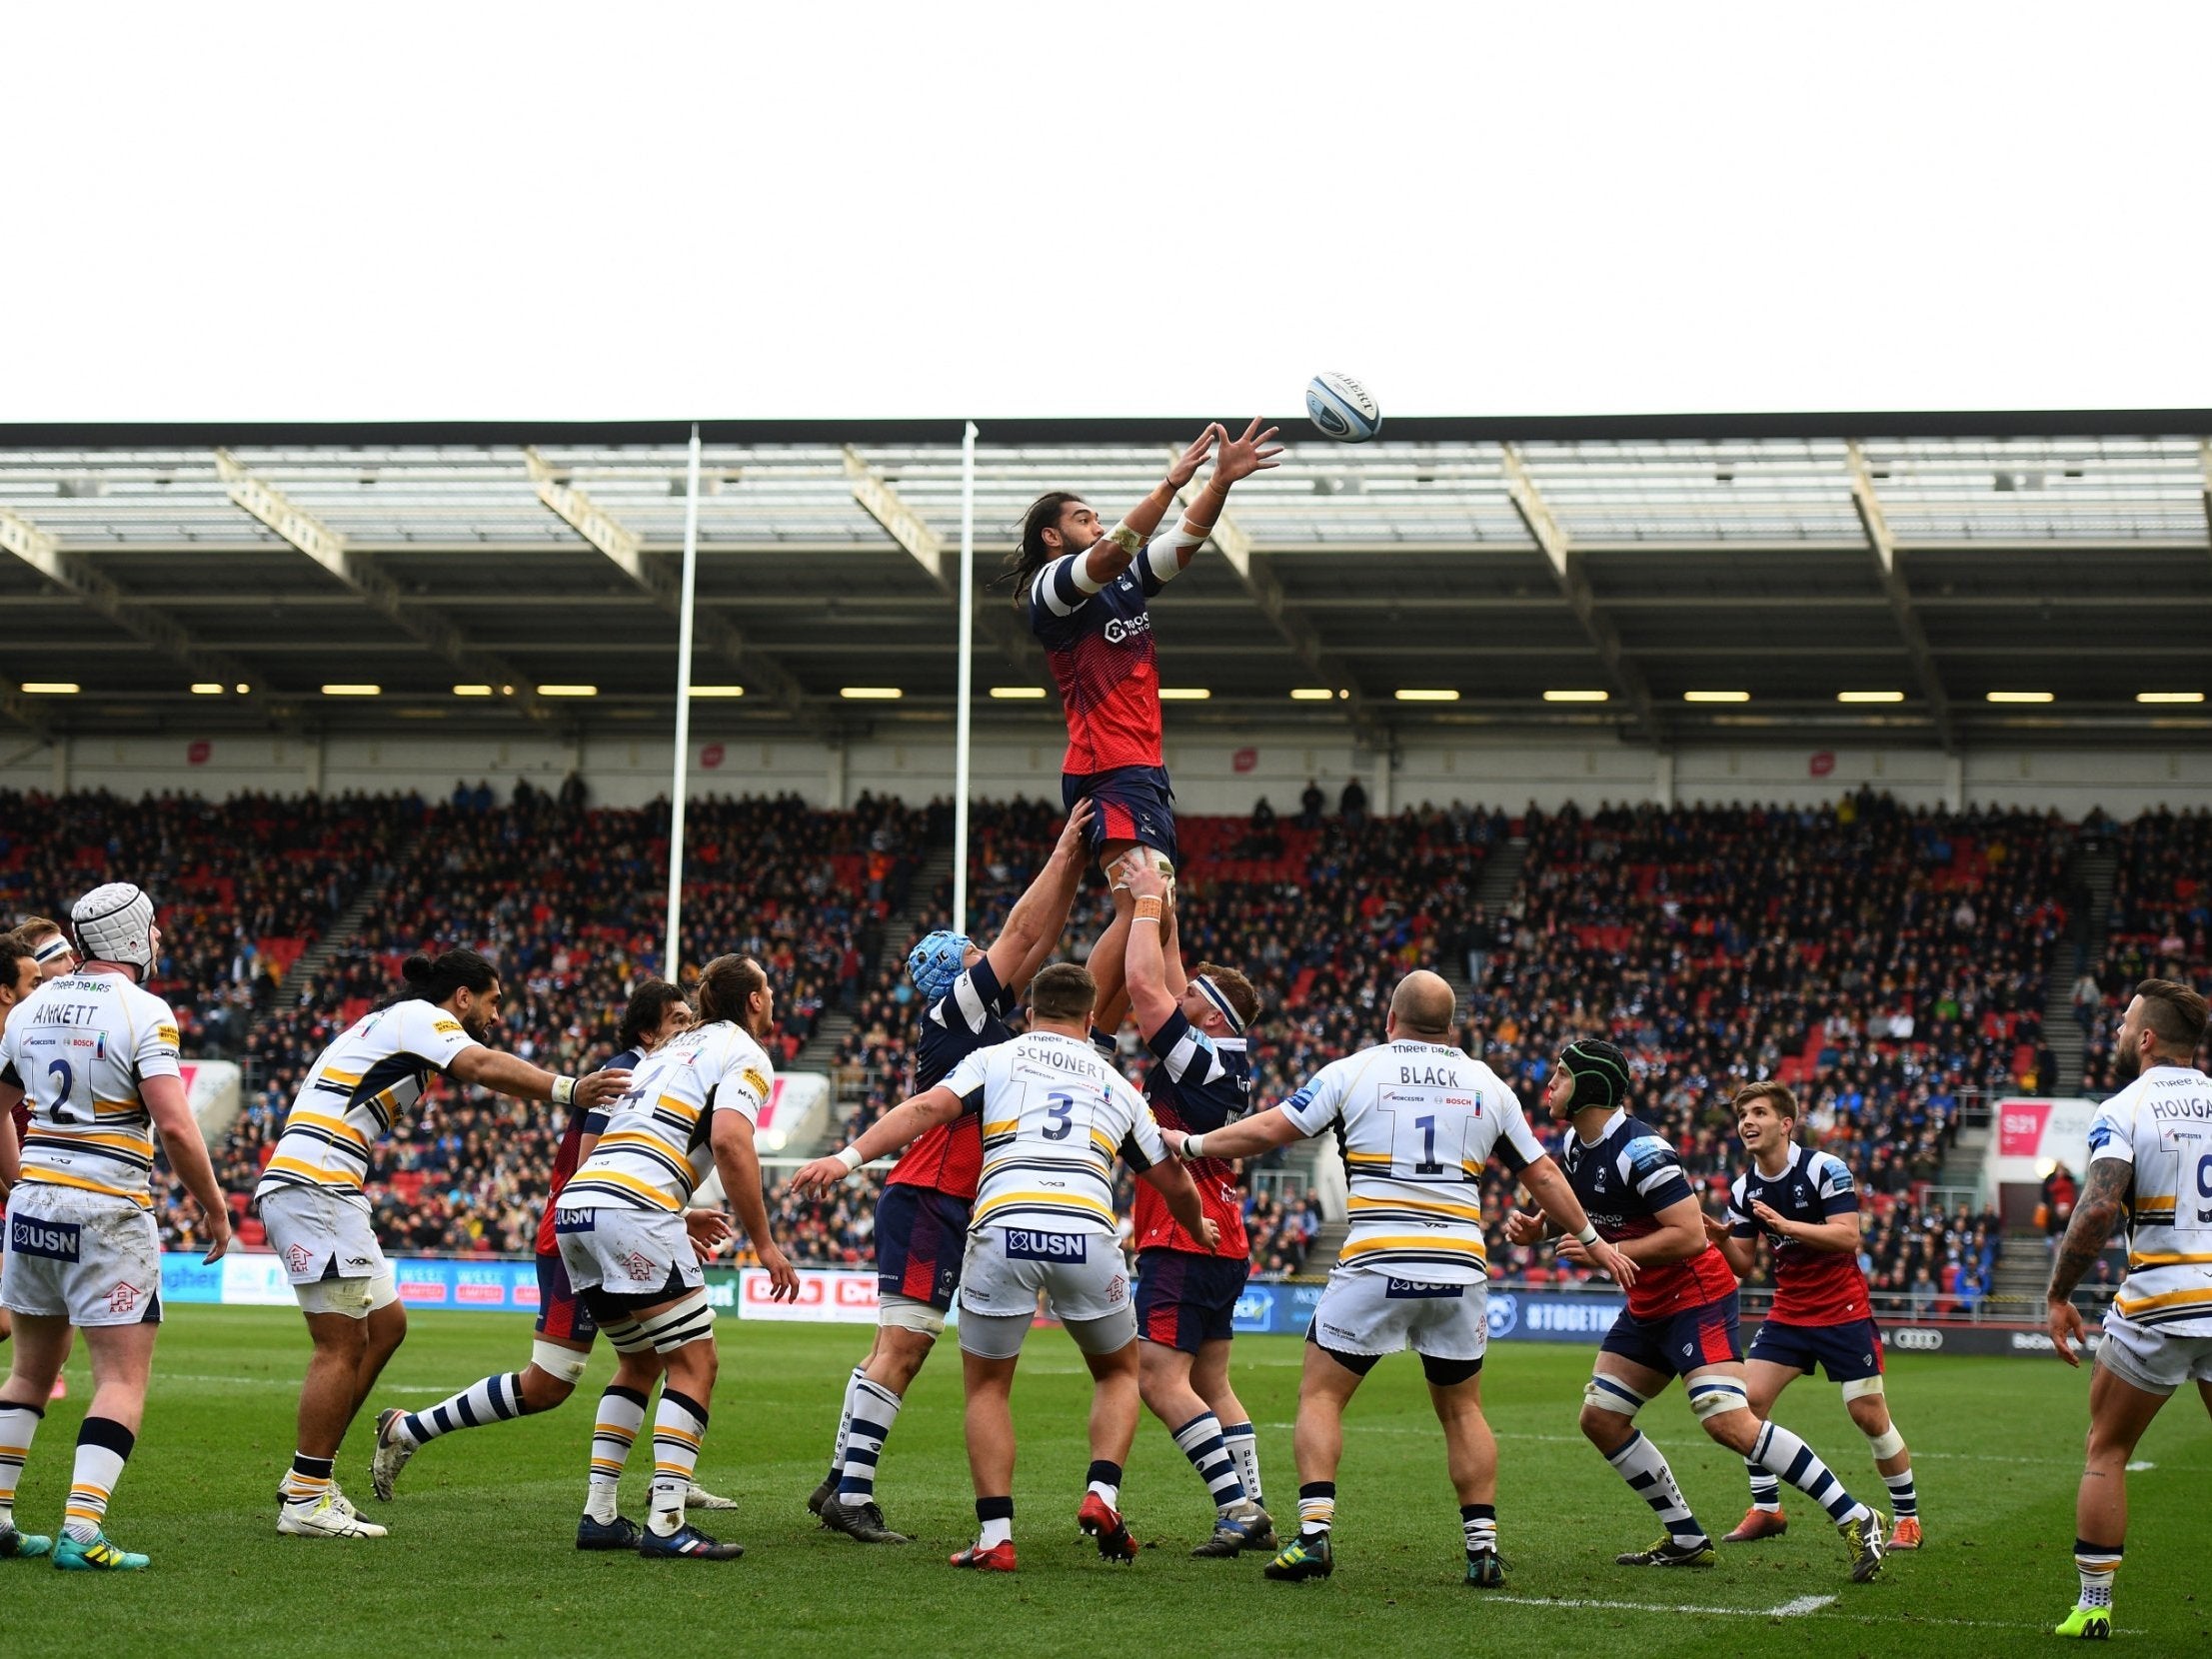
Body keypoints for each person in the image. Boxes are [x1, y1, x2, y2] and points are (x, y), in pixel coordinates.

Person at [1147, 969, 1635, 1587]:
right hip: (1459, 1264)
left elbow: (1273, 1128)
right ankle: (1482, 1549)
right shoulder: (1487, 1083)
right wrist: (1592, 1240)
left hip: (1378, 1256)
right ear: (1451, 1028)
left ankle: (1314, 1537)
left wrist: (1190, 1146)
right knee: (1463, 1409)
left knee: (1322, 1395)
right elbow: (1541, 1176)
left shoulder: (1354, 1069)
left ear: (1390, 1020)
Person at [793, 961, 1218, 1574]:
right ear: (1092, 1019)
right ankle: (1102, 1493)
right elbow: (1169, 1176)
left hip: (1003, 1224)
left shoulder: (997, 1057)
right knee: (1120, 1374)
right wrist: (1197, 1224)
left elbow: (926, 1110)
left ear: (1029, 1014)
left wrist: (847, 1157)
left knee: (988, 1387)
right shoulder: (1116, 1082)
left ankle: (995, 1536)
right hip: (1086, 1229)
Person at [253, 948, 632, 1539]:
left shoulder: (388, 1025)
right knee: (340, 1344)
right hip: (317, 1184)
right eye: (493, 1001)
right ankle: (305, 1495)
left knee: (386, 1325)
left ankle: (313, 1479)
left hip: (321, 1183)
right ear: (461, 997)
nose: (497, 1015)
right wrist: (570, 1089)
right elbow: (481, 1065)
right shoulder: (422, 1018)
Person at [809, 803, 1093, 1545]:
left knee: (891, 1346)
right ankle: (853, 1494)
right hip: (931, 1196)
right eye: (975, 952)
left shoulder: (976, 1022)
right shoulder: (958, 1011)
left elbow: (1042, 938)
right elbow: (1025, 934)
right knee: (904, 1348)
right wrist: (1064, 847)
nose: (989, 957)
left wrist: (1074, 870)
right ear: (956, 970)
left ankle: (841, 1477)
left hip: (934, 1198)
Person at [1503, 1039, 1887, 1582]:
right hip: (1649, 1302)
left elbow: (1687, 1238)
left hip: (1696, 1296)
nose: (1549, 1084)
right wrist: (1537, 1226)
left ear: (1591, 1087)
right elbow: (1575, 1205)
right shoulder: (1575, 1143)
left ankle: (1857, 1517)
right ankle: (1685, 1537)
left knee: (1725, 1418)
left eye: (1561, 1075)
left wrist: (1606, 1252)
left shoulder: (1645, 1152)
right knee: (1601, 1419)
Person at [368, 979, 741, 1516]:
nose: (690, 1029)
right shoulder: (627, 1071)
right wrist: (670, 1216)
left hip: (606, 1222)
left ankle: (669, 1483)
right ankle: (409, 1429)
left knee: (656, 1357)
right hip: (582, 1230)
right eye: (678, 1020)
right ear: (646, 1031)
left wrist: (672, 1216)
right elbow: (599, 1165)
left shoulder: (666, 1070)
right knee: (551, 1382)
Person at [1009, 419, 1281, 1044]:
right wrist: (1170, 482)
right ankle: (1070, 1039)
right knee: (1143, 905)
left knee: (1157, 913)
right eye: (1084, 518)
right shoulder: (1052, 589)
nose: (1097, 526)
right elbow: (1113, 552)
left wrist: (1217, 483)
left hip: (1140, 769)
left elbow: (1184, 539)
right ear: (1053, 537)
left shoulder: (1122, 584)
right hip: (1108, 765)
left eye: (1097, 517)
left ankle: (1092, 1036)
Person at [0, 883, 231, 1569]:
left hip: (36, 1201)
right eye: (154, 928)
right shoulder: (146, 1011)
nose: (159, 939)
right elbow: (175, 1124)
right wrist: (215, 1208)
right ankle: (80, 1531)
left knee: (27, 1373)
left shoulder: (32, 1004)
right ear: (132, 936)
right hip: (108, 1205)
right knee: (120, 1379)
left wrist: (17, 1179)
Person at [555, 953, 800, 1560]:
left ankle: (600, 1513)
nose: (772, 997)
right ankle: (667, 1522)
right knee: (695, 1363)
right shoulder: (745, 1053)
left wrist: (668, 1210)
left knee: (638, 1361)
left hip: (580, 1204)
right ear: (753, 1003)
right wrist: (764, 1243)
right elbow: (730, 1142)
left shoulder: (665, 1051)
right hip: (632, 1204)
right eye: (767, 988)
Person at [2045, 978, 2212, 1640]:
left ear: (2145, 1038)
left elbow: (2096, 1209)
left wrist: (2058, 1295)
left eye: (2122, 1022)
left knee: (2106, 1450)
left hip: (2158, 1304)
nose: (2116, 1030)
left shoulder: (2124, 1107)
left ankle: (2092, 1606)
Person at [1117, 861, 1273, 1556]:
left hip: (1182, 1233)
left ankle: (1235, 1507)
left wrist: (1145, 902)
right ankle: (1255, 1506)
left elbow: (1144, 984)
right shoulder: (1219, 1052)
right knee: (1212, 1381)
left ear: (1208, 1015)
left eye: (1193, 1001)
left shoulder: (1198, 1058)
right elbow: (1173, 977)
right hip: (1222, 1237)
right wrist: (1167, 908)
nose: (1177, 1001)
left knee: (1159, 1380)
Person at [1704, 1082, 1921, 1549]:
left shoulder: (1825, 1168)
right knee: (1747, 1404)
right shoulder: (1743, 1188)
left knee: (1868, 1415)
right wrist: (1719, 1237)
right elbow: (1743, 1264)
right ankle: (1767, 1509)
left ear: (1786, 1124)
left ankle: (1908, 1518)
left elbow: (1848, 1237)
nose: (1747, 1121)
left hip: (1842, 1310)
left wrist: (1785, 1227)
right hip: (1789, 1312)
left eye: (1759, 1112)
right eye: (1743, 1114)